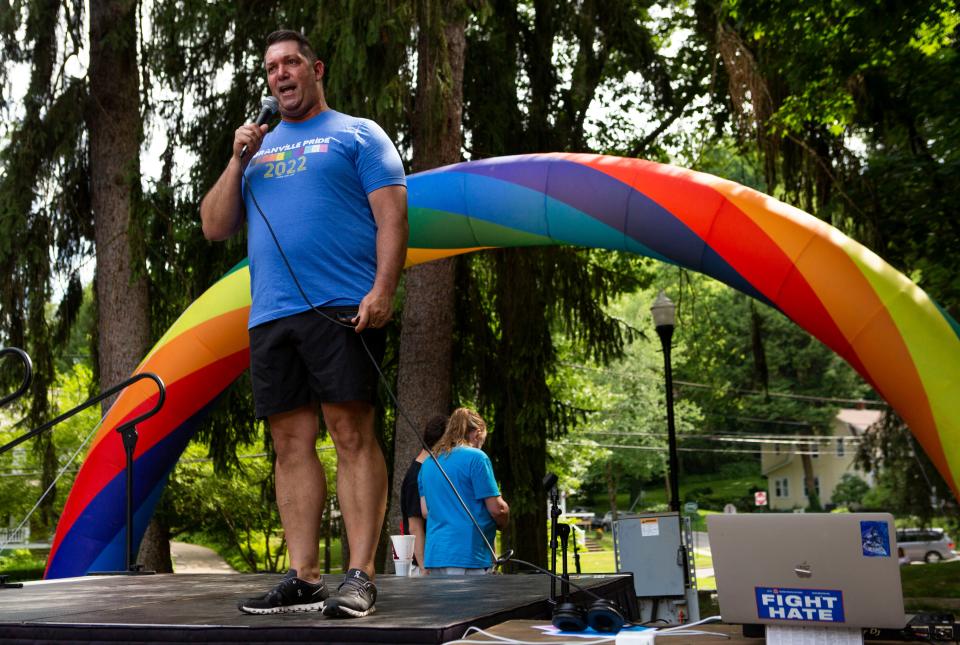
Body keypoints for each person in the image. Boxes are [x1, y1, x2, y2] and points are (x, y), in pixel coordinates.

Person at [200, 29, 407, 618]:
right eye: (271, 68)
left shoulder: (358, 134)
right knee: (289, 444)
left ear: (315, 69)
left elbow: (392, 216)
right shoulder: (256, 148)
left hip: (343, 305)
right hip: (271, 314)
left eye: (291, 63)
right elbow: (215, 226)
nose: (281, 74)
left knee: (350, 433)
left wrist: (383, 289)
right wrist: (237, 157)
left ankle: (361, 575)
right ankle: (303, 574)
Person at [418, 408, 509, 575]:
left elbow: (425, 511)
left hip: (436, 555)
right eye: (482, 439)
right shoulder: (477, 457)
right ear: (477, 433)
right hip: (469, 554)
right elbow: (497, 509)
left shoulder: (427, 464)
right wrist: (505, 516)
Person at [399, 415, 448, 575]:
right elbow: (415, 526)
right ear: (443, 442)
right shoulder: (417, 475)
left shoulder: (427, 470)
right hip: (423, 567)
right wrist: (424, 567)